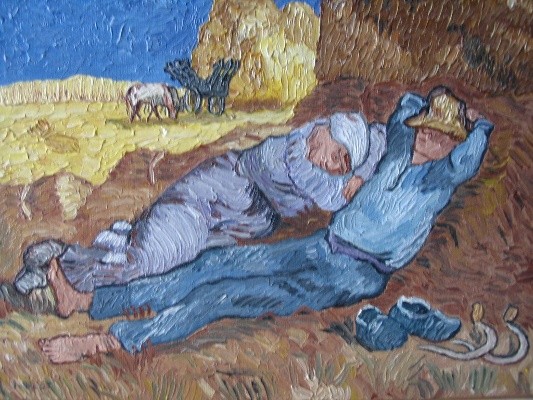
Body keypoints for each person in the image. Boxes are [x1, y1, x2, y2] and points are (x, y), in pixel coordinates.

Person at [37, 86, 494, 363]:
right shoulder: (397, 148)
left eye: (442, 135)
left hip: (356, 272)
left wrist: (474, 125)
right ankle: (94, 299)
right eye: (427, 127)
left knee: (224, 296)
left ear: (455, 144)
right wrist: (437, 107)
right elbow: (406, 107)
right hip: (324, 244)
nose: (430, 136)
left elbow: (471, 152)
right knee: (213, 265)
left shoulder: (441, 178)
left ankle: (110, 342)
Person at [10, 112, 387, 296]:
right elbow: (326, 195)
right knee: (153, 258)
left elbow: (381, 136)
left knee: (162, 265)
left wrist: (360, 168)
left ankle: (61, 259)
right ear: (325, 131)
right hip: (209, 197)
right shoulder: (288, 153)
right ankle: (57, 271)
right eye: (337, 156)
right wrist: (352, 182)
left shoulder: (322, 149)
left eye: (343, 165)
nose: (335, 167)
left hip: (231, 222)